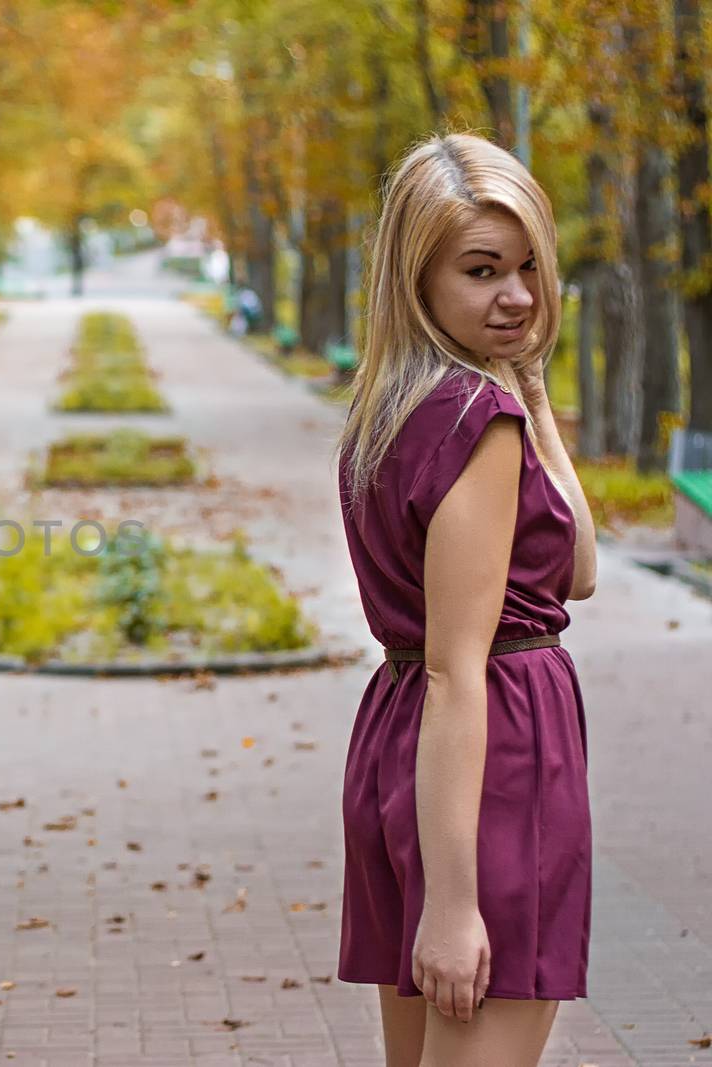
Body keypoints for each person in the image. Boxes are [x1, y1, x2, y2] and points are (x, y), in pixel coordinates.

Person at [334, 132, 600, 1067]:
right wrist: (453, 907)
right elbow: (459, 671)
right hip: (494, 764)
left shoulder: (391, 409)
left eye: (529, 266)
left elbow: (575, 566)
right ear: (418, 278)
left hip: (402, 751)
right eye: (482, 269)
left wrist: (530, 389)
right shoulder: (475, 426)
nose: (518, 294)